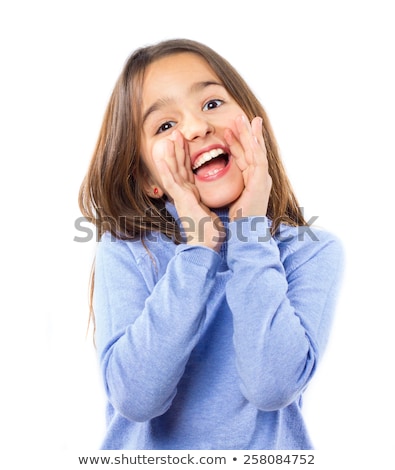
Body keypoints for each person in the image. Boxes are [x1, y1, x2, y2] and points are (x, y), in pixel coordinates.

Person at [79, 38, 343, 450]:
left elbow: (272, 386)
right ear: (149, 180)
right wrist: (199, 246)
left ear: (254, 125)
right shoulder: (129, 249)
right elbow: (135, 398)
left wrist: (250, 232)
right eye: (164, 126)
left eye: (212, 104)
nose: (196, 127)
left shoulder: (310, 251)